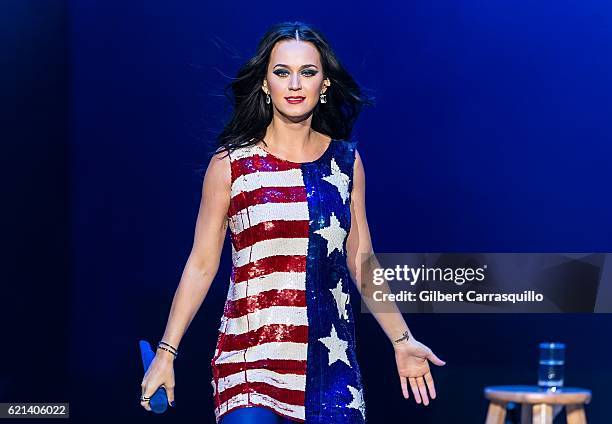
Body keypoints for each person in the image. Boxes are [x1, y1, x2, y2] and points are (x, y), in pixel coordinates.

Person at [140, 21, 446, 423]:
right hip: (249, 361)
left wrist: (402, 341)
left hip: (329, 368)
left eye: (308, 72)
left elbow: (361, 260)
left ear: (325, 85)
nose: (295, 84)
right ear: (266, 83)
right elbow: (201, 263)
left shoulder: (346, 162)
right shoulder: (232, 164)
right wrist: (167, 353)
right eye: (282, 72)